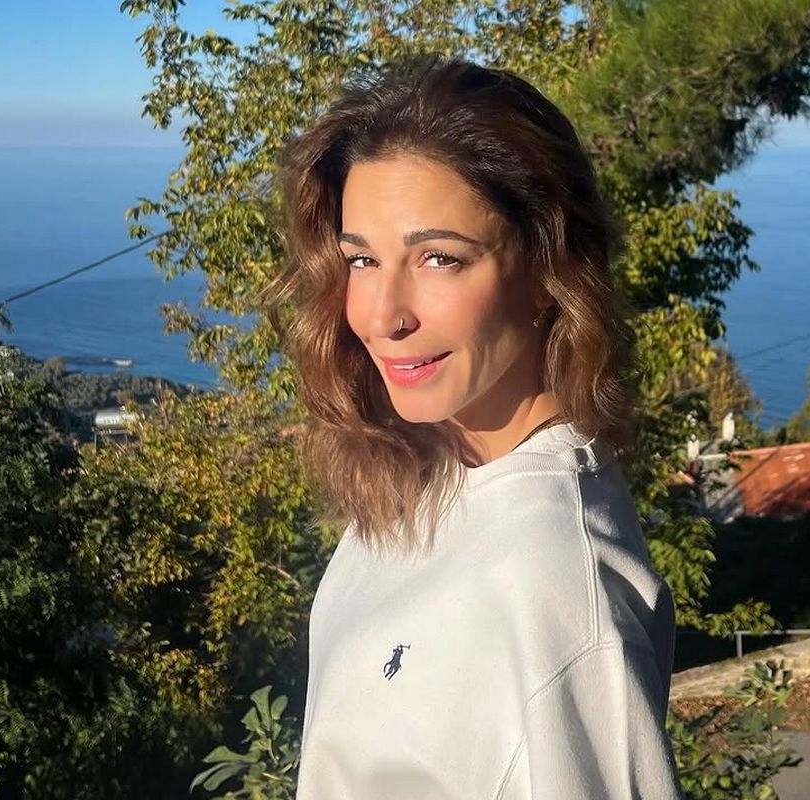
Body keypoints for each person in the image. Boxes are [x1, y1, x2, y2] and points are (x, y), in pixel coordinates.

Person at [269, 54, 683, 800]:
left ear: (549, 268)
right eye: (362, 260)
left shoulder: (557, 584)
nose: (382, 317)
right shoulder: (429, 477)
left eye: (439, 258)